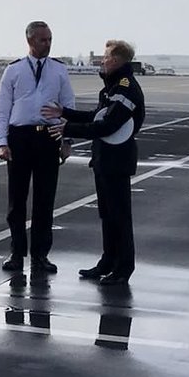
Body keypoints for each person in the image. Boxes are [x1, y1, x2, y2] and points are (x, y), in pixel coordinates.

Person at [43, 39, 145, 286]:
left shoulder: (125, 87)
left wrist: (69, 129)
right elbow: (95, 116)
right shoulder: (112, 87)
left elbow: (109, 125)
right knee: (108, 215)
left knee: (119, 216)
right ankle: (108, 262)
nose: (102, 60)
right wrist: (64, 113)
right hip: (104, 159)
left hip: (117, 160)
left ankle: (123, 269)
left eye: (106, 56)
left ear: (117, 61)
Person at [0, 21, 76, 274]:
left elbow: (68, 104)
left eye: (50, 39)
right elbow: (3, 108)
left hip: (48, 137)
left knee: (45, 199)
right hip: (20, 137)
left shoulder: (58, 70)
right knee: (16, 200)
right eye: (43, 40)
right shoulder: (14, 70)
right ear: (30, 41)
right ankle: (17, 253)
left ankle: (40, 255)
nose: (47, 44)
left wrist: (67, 140)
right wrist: (2, 142)